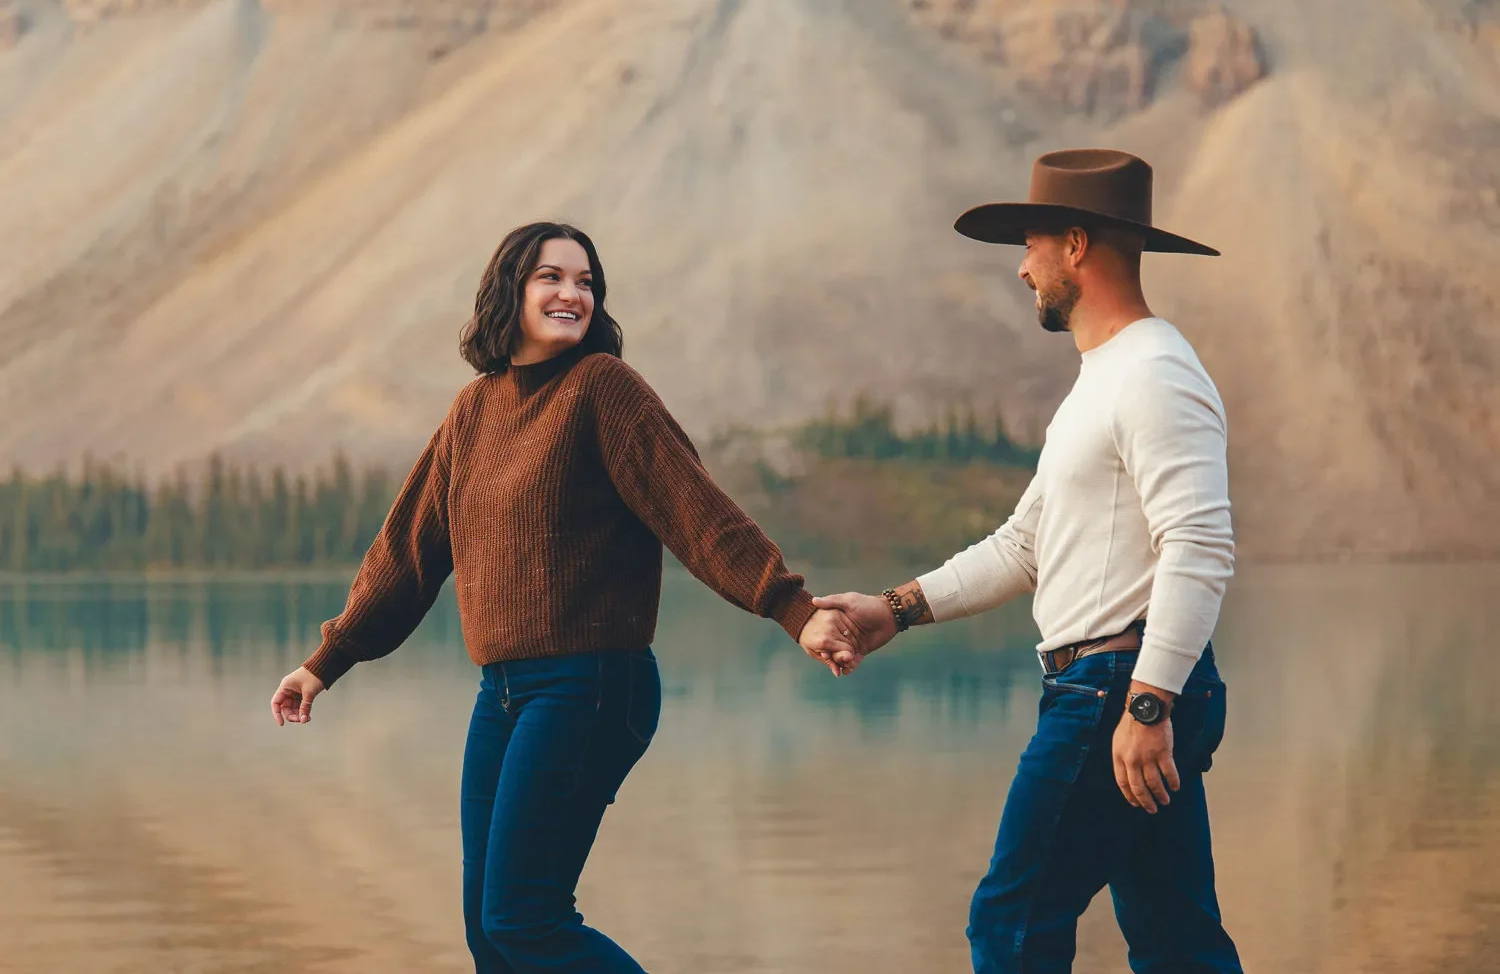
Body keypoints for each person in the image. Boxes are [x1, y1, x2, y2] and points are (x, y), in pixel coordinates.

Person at [268, 221, 861, 974]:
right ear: (508, 291)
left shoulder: (602, 390)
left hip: (590, 684)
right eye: (551, 277)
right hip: (504, 692)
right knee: (491, 934)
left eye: (585, 282)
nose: (572, 293)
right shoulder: (474, 411)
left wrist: (791, 608)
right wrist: (327, 660)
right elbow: (408, 552)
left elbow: (694, 509)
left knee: (525, 918)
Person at [814, 150, 1244, 973]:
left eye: (1032, 244)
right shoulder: (1106, 377)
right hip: (1120, 689)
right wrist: (892, 609)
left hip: (1117, 692)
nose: (1022, 268)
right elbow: (1023, 545)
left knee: (1010, 927)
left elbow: (1199, 544)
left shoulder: (1155, 372)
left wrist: (1149, 708)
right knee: (1176, 940)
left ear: (1076, 245)